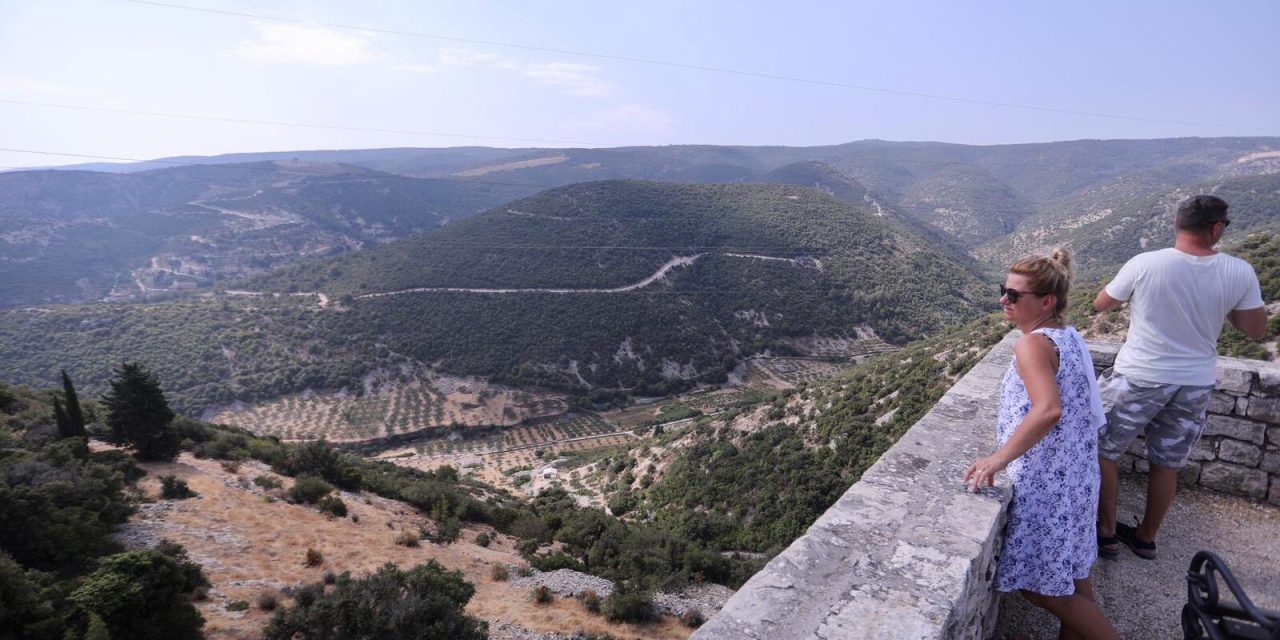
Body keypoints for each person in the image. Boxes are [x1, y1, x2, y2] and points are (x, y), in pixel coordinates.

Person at [1094, 195, 1267, 560]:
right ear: (1216, 228)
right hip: (1193, 381)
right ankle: (1146, 538)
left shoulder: (1146, 263)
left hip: (1139, 374)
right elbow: (1255, 329)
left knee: (1101, 449)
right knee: (1166, 462)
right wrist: (1226, 308)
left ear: (1177, 223)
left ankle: (1106, 532)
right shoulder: (1239, 272)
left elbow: (1102, 303)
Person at [965, 250, 1119, 640]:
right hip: (1077, 476)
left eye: (1014, 295)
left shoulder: (1031, 345)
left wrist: (996, 459)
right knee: (1070, 574)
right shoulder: (1068, 336)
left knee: (1036, 584)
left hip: (1047, 481)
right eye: (1004, 290)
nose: (1004, 299)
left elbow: (1048, 410)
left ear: (1046, 301)